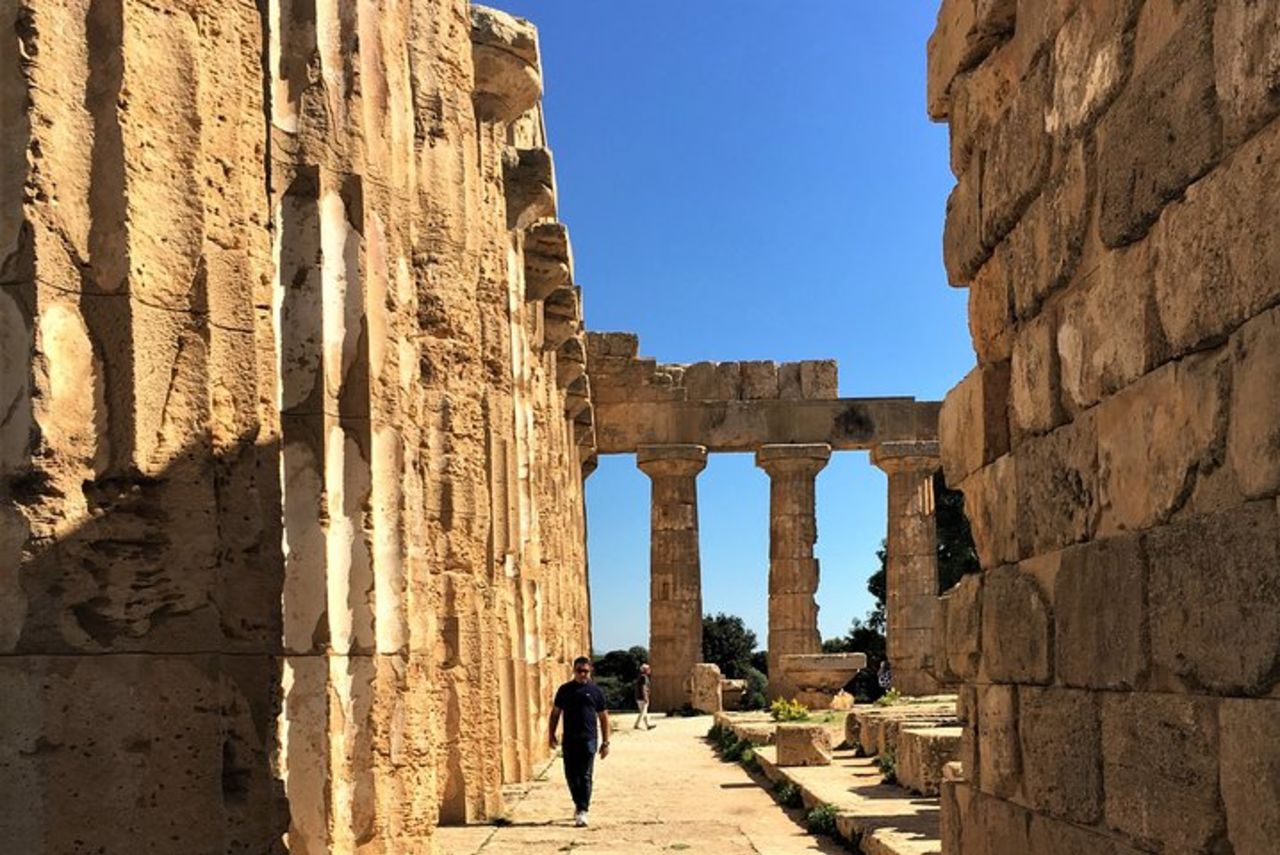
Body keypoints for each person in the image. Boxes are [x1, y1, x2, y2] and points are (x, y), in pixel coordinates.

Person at [549, 656, 611, 827]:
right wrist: (551, 734)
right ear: (574, 671)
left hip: (589, 739)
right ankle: (578, 804)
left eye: (586, 671)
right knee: (571, 775)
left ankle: (583, 810)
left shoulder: (596, 691)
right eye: (579, 671)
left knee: (585, 775)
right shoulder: (565, 690)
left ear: (590, 671)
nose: (583, 674)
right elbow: (555, 714)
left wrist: (606, 742)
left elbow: (604, 717)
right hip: (569, 739)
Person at [633, 663, 654, 730]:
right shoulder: (644, 677)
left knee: (644, 712)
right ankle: (636, 725)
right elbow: (643, 687)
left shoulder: (640, 676)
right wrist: (645, 697)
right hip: (642, 697)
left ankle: (647, 725)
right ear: (645, 670)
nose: (650, 670)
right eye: (648, 669)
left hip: (639, 697)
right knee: (643, 712)